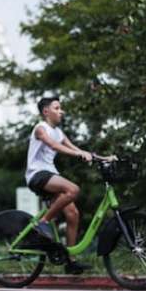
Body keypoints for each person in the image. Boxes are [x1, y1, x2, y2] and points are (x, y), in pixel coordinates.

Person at [25, 96, 107, 275]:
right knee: (73, 189)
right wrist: (79, 155)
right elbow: (54, 145)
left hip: (50, 175)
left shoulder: (59, 132)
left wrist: (104, 158)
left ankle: (71, 261)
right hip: (37, 175)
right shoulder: (41, 128)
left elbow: (77, 149)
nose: (61, 111)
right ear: (46, 111)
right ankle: (43, 222)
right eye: (57, 108)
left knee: (73, 214)